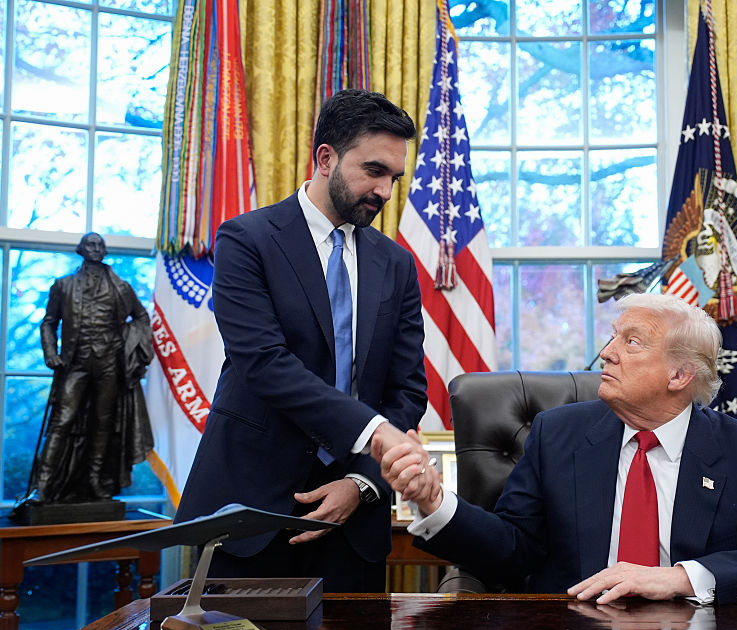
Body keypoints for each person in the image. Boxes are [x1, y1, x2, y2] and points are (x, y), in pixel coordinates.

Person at [382, 293, 737, 604]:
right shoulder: (556, 434)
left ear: (679, 376)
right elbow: (513, 548)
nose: (607, 353)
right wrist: (433, 499)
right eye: (614, 336)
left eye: (631, 342)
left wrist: (680, 578)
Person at [175, 89, 432, 592]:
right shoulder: (246, 240)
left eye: (394, 178)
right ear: (325, 157)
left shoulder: (396, 264)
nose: (384, 190)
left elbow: (408, 390)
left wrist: (361, 483)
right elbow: (265, 363)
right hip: (249, 511)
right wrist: (377, 435)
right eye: (373, 170)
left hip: (353, 524)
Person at [21, 232, 153, 505]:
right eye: (90, 244)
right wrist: (50, 353)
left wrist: (129, 344)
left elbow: (141, 317)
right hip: (75, 363)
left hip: (108, 364)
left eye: (100, 245)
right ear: (80, 249)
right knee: (62, 420)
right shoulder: (63, 285)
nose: (96, 248)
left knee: (104, 423)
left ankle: (95, 480)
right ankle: (43, 486)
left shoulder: (122, 288)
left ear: (105, 251)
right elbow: (49, 322)